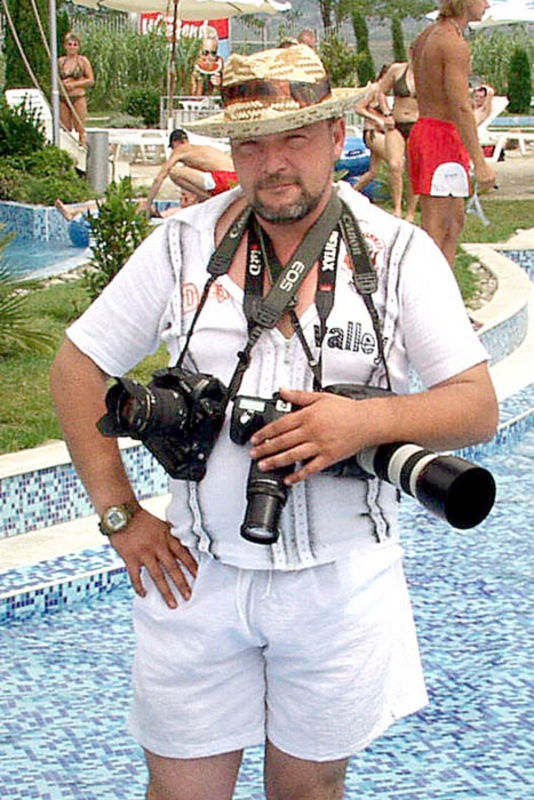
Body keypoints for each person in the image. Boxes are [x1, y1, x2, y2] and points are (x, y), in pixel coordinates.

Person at [50, 44, 498, 800]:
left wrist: (361, 425)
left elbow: (477, 405)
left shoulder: (398, 254)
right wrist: (121, 515)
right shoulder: (183, 244)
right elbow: (76, 367)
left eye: (295, 138)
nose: (273, 164)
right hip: (195, 572)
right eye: (251, 144)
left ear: (335, 137)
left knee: (309, 793)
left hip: (339, 580)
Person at [409, 0, 496, 268]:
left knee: (454, 222)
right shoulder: (453, 44)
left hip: (429, 131)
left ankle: (444, 286)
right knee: (438, 227)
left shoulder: (428, 36)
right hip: (440, 137)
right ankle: (427, 290)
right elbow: (461, 106)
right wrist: (480, 163)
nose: (487, 4)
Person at [144, 128, 238, 213]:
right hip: (235, 181)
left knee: (173, 172)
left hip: (223, 179)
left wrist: (148, 204)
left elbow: (159, 178)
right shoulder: (202, 150)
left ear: (176, 142)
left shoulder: (180, 149)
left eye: (172, 147)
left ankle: (212, 201)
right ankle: (210, 201)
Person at [378, 54, 419, 221]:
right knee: (395, 165)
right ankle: (397, 208)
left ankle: (411, 212)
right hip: (396, 123)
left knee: (413, 168)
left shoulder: (428, 73)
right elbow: (381, 92)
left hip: (417, 123)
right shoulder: (397, 70)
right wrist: (386, 113)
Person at [353, 65, 391, 195]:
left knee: (373, 171)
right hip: (372, 132)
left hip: (380, 132)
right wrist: (376, 119)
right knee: (395, 162)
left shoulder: (384, 91)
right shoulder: (375, 89)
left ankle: (352, 193)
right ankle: (397, 198)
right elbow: (359, 108)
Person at [58, 32, 94, 148]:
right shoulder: (61, 61)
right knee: (65, 128)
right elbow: (55, 78)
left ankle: (83, 148)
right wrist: (62, 84)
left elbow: (90, 80)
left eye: (75, 45)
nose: (72, 47)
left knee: (80, 127)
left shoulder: (83, 61)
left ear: (78, 47)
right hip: (63, 98)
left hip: (78, 97)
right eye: (70, 44)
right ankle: (67, 149)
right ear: (65, 46)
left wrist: (75, 84)